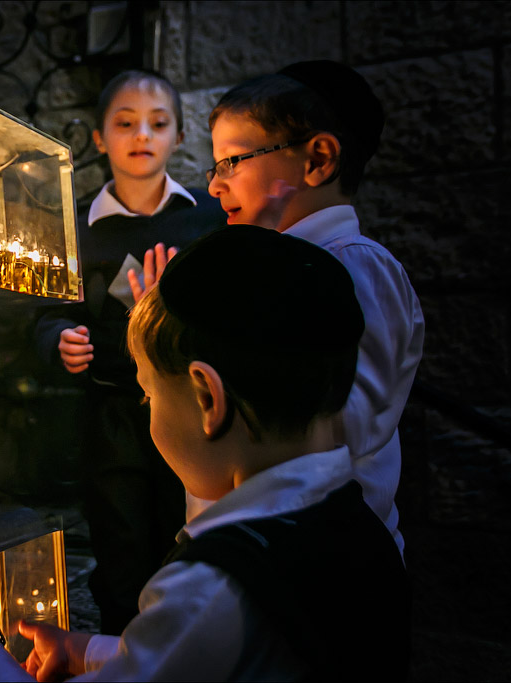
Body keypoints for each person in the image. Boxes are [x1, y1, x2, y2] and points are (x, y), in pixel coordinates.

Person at [0, 225, 410, 681]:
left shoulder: (217, 582)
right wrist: (87, 651)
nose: (148, 409)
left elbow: (201, 624)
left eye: (148, 394)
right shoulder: (356, 525)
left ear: (207, 400)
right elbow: (203, 654)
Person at [202, 60, 425, 554]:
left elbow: (343, 426)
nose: (215, 185)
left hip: (329, 557)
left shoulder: (356, 266)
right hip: (266, 546)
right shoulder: (274, 265)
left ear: (318, 159)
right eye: (214, 167)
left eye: (232, 161)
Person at [34, 69, 225, 633]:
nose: (142, 135)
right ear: (99, 137)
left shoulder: (207, 219)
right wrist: (58, 339)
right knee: (120, 544)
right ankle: (120, 649)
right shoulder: (77, 228)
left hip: (193, 411)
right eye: (125, 123)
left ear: (180, 137)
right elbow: (49, 311)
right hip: (112, 411)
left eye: (158, 123)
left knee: (186, 536)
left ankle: (185, 648)